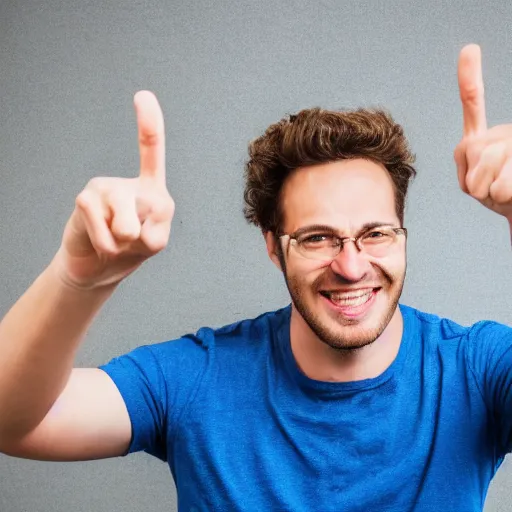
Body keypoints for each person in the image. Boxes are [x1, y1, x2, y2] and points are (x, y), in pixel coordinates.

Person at [0, 43, 511, 511]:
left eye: (375, 233)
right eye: (317, 238)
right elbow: (15, 422)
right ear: (273, 246)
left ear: (402, 235)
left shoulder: (476, 370)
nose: (352, 266)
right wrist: (78, 278)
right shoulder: (198, 379)